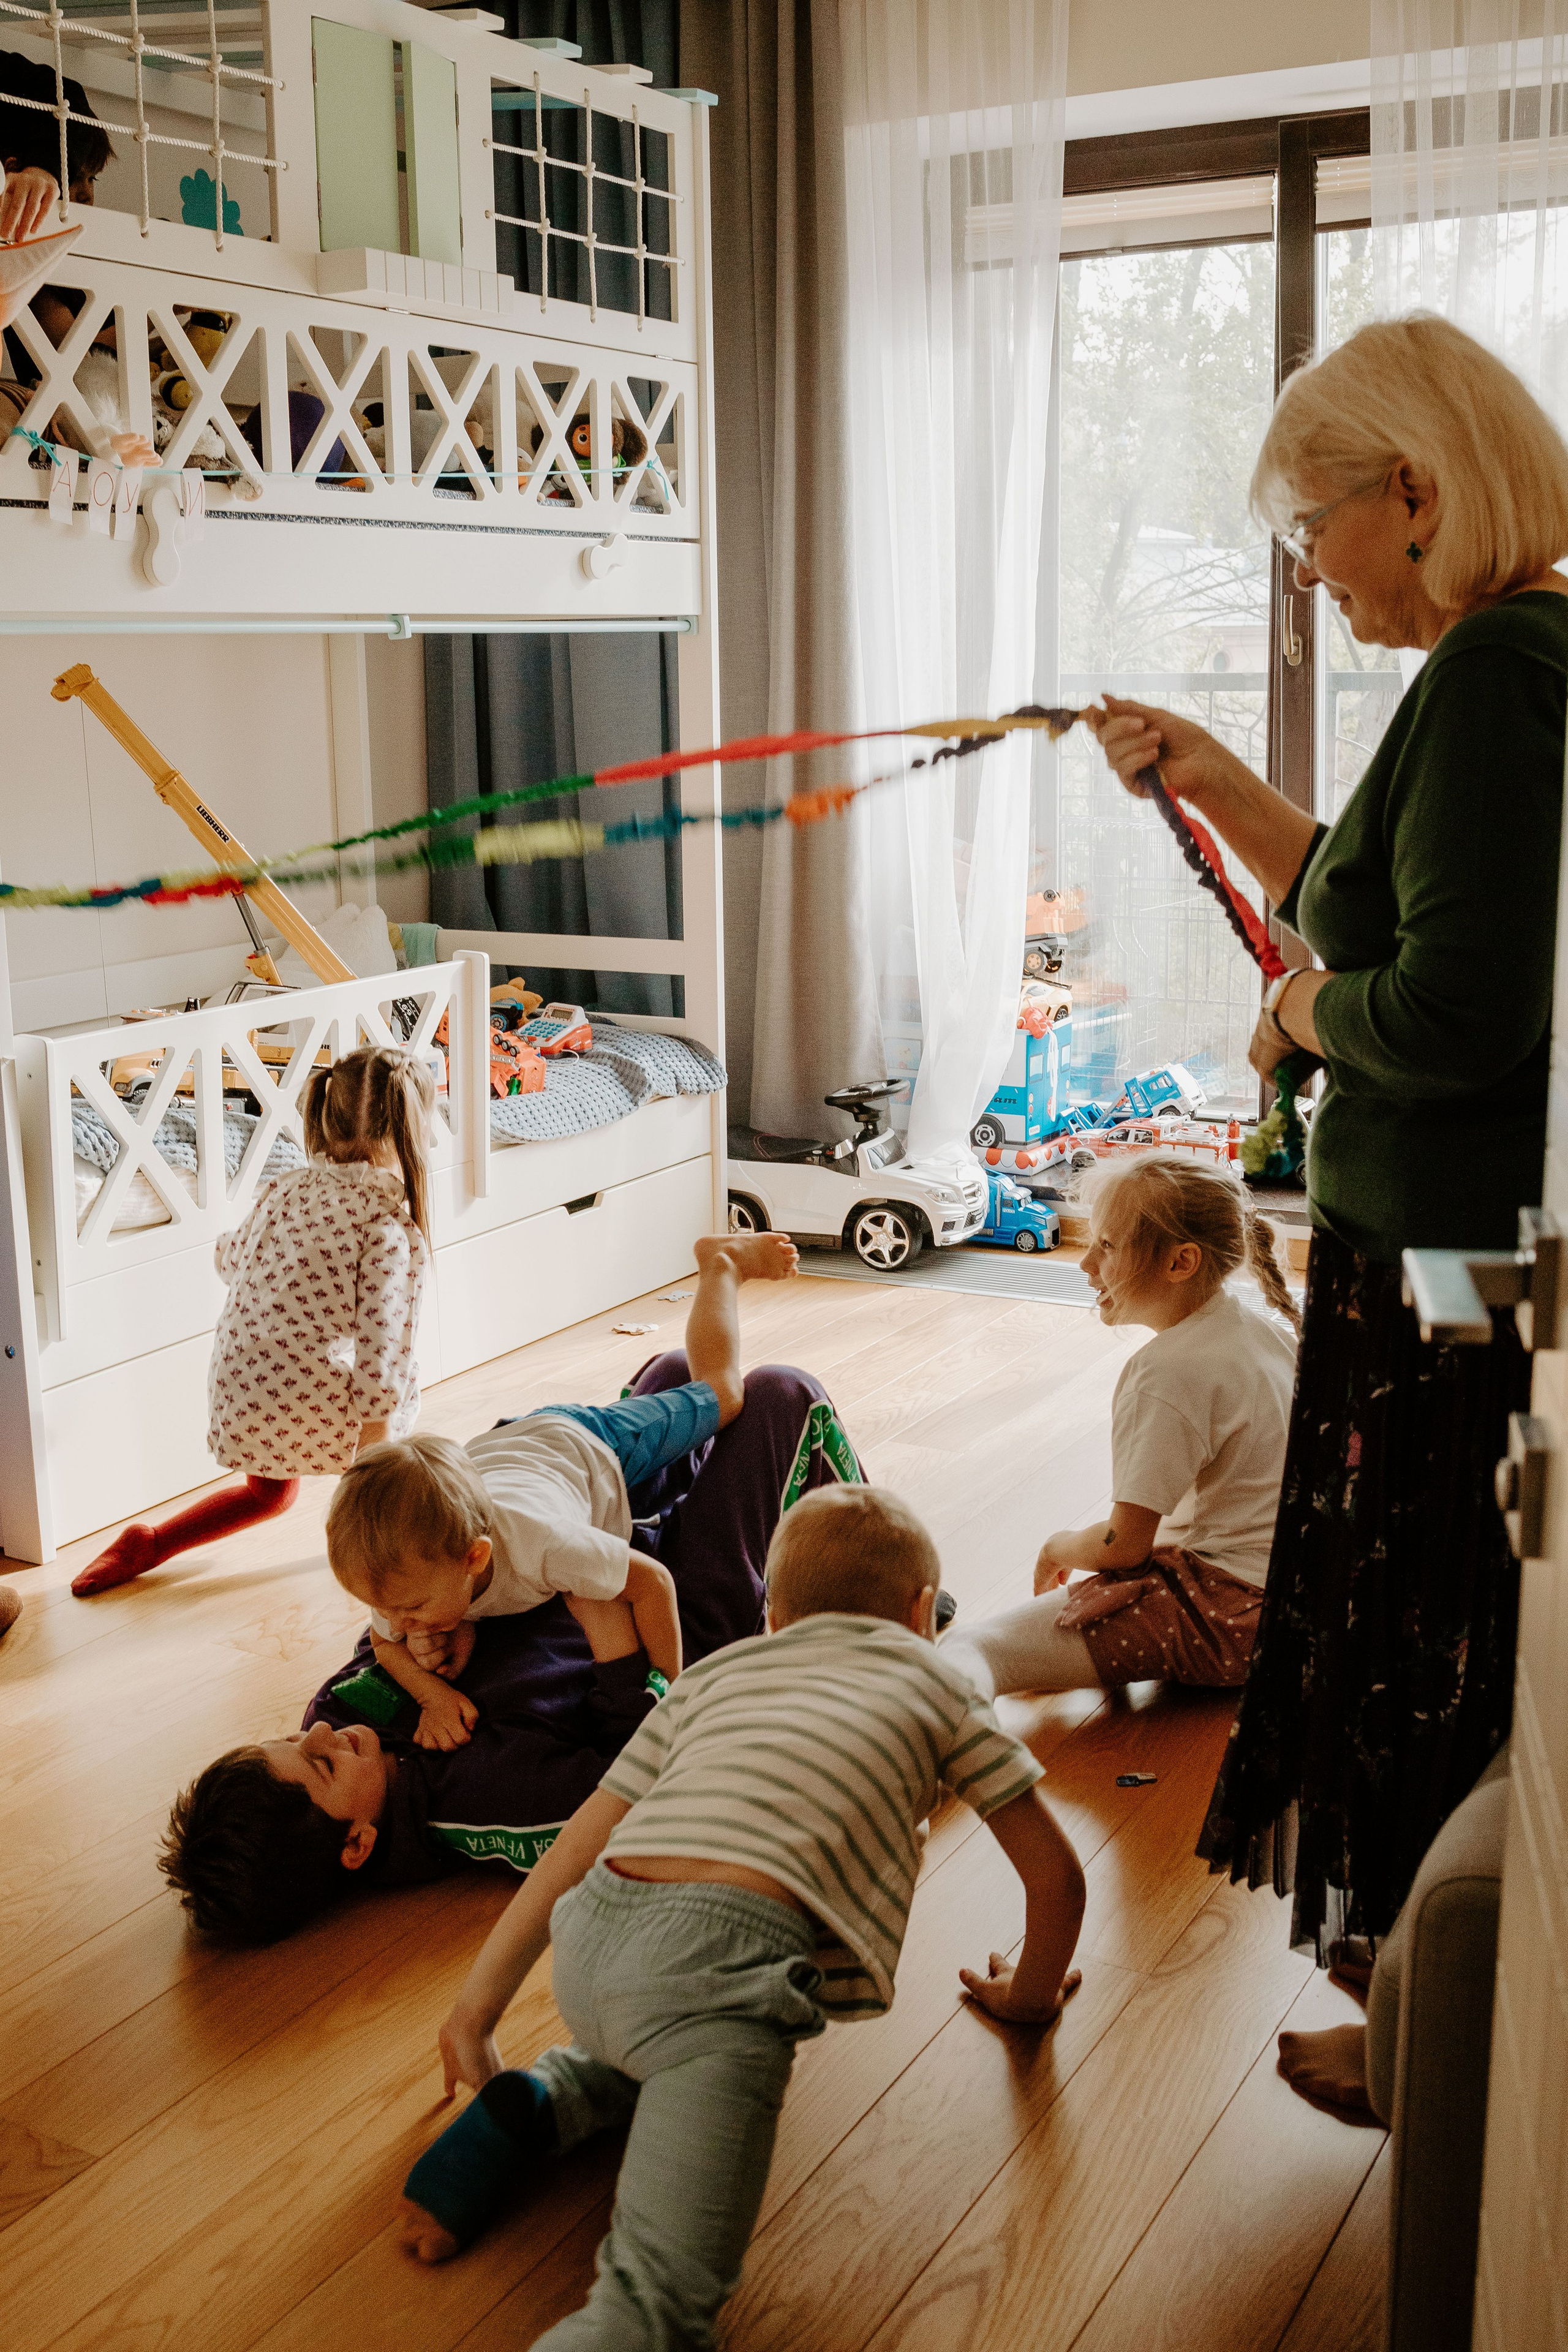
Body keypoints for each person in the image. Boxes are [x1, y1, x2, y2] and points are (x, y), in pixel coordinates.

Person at [1089, 314, 1568, 2099]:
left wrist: (1299, 1015)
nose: (1307, 571)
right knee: (1409, 1611)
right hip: (1435, 1244)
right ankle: (1422, 2011)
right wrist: (1209, 773)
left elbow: (1449, 1007)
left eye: (1312, 527)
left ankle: (1429, 2031)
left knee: (1420, 1624)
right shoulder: (1498, 665)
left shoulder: (1500, 674)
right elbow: (1365, 898)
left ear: (1415, 489)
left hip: (1446, 1254)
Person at [393, 1484, 1085, 2352]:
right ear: (921, 1614)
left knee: (649, 2047)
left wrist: (475, 2012)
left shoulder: (714, 1677)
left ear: (772, 1614)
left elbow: (576, 1846)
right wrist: (1027, 1998)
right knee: (653, 2312)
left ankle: (543, 2098)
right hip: (721, 1973)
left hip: (595, 1933)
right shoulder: (937, 1682)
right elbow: (1057, 1880)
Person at [157, 1352, 871, 1943]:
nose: (320, 1728)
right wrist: (613, 1645)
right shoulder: (492, 1800)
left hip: (561, 1553)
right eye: (318, 1762)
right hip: (676, 1615)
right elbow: (648, 1775)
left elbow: (395, 1612)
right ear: (357, 1844)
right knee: (782, 1394)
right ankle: (881, 1590)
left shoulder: (345, 1715)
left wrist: (447, 1636)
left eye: (293, 1735)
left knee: (679, 1371)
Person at [322, 1232, 799, 1743]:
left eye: (412, 1610)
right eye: (389, 1608)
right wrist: (434, 1696)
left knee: (724, 1396)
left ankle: (721, 1265)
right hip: (502, 1459)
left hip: (586, 1444)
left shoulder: (544, 1546)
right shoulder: (398, 1580)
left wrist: (673, 1693)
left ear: (475, 1557)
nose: (397, 1620)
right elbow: (385, 1642)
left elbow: (653, 1585)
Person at [74, 1044, 435, 1597]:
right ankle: (395, 1563)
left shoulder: (284, 1188)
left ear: (325, 1116)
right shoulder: (387, 1226)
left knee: (270, 1494)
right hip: (317, 1399)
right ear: (411, 1130)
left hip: (239, 1386)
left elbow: (227, 1259)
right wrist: (378, 1448)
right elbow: (384, 1355)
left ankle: (151, 1543)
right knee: (402, 1477)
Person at [941, 1155, 1297, 1704]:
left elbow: (1124, 1544)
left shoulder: (1167, 1370)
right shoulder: (1267, 1333)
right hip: (1297, 1600)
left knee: (970, 1649)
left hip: (1226, 1616)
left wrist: (1056, 1547)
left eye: (1107, 1246)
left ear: (1181, 1262)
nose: (1085, 1263)